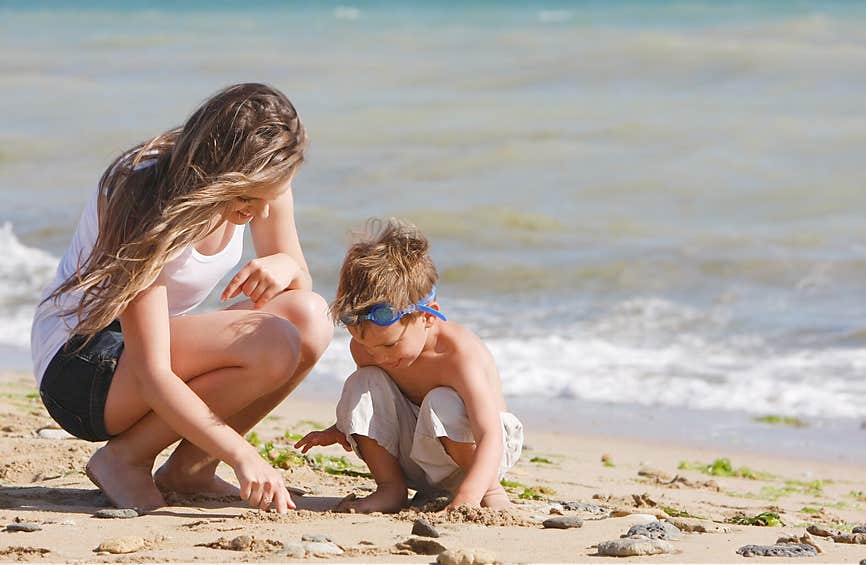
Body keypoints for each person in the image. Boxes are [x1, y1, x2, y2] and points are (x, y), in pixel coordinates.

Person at [30, 83, 333, 514]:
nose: (260, 212)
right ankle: (124, 460)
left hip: (139, 357)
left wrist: (288, 266)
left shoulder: (267, 181)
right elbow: (153, 372)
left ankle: (190, 470)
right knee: (271, 340)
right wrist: (242, 455)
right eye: (246, 197)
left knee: (311, 317)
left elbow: (300, 301)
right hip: (79, 363)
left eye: (268, 196)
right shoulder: (145, 193)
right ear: (214, 171)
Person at [294, 219, 523, 513]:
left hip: (482, 459)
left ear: (428, 317)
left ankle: (490, 491)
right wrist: (339, 429)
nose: (380, 357)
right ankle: (391, 489)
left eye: (390, 345)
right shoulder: (367, 350)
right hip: (414, 457)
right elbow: (379, 406)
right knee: (362, 381)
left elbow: (490, 434)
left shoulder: (458, 354)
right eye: (367, 346)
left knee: (441, 401)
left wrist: (472, 492)